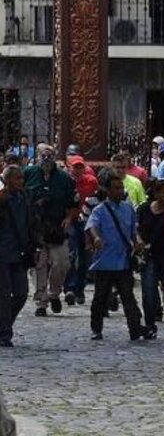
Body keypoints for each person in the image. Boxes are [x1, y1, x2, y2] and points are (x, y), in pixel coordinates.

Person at [85, 170, 147, 341]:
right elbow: (92, 226)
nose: (121, 191)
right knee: (100, 298)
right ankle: (96, 329)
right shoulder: (100, 210)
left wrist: (138, 241)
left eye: (121, 188)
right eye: (116, 188)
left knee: (128, 297)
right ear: (108, 191)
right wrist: (96, 238)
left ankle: (135, 329)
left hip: (123, 260)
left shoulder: (128, 209)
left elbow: (133, 230)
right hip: (105, 261)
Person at [24, 144, 77, 317]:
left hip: (57, 227)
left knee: (61, 262)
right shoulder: (28, 174)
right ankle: (41, 301)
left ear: (55, 157)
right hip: (36, 228)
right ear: (37, 156)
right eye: (43, 156)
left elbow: (73, 203)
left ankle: (54, 293)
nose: (46, 159)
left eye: (49, 156)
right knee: (39, 265)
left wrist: (68, 218)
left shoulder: (64, 178)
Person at [137, 180, 164, 338]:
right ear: (155, 194)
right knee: (148, 291)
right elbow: (136, 228)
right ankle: (150, 324)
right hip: (149, 257)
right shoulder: (144, 209)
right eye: (163, 192)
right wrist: (139, 241)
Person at [0, 166, 34, 347]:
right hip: (3, 253)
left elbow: (30, 223)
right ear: (7, 180)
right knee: (4, 295)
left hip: (19, 253)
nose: (20, 181)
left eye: (22, 178)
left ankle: (3, 325)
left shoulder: (24, 198)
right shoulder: (2, 199)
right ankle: (5, 333)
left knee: (21, 293)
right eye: (16, 178)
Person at [64, 155, 97, 306]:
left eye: (80, 167)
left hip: (86, 221)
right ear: (68, 167)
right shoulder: (65, 181)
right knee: (71, 254)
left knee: (85, 257)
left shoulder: (91, 181)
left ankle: (79, 289)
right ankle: (69, 287)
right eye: (74, 167)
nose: (77, 170)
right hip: (70, 219)